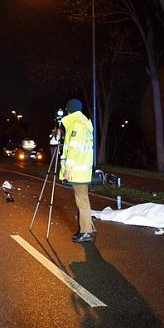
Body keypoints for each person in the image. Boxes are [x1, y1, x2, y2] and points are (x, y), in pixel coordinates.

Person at [59, 98, 95, 243]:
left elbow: (73, 150)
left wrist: (68, 170)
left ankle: (86, 232)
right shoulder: (84, 124)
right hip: (83, 170)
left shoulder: (76, 125)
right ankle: (85, 229)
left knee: (82, 202)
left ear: (70, 110)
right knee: (82, 201)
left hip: (78, 171)